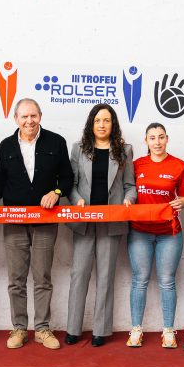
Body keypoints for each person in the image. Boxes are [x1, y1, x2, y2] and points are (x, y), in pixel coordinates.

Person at [0, 98, 73, 350]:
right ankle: (19, 328)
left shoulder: (56, 142)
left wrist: (56, 192)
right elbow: (0, 180)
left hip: (45, 220)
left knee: (43, 277)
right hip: (14, 220)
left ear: (40, 116)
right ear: (16, 119)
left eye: (33, 115)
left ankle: (42, 329)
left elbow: (67, 177)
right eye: (24, 116)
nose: (29, 121)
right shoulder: (6, 145)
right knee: (16, 279)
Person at [64, 103, 136, 347]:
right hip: (84, 220)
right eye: (97, 121)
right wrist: (76, 199)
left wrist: (129, 199)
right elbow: (71, 184)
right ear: (91, 124)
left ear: (113, 124)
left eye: (106, 120)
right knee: (79, 274)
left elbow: (130, 186)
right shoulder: (78, 148)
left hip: (111, 222)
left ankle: (100, 330)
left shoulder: (124, 150)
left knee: (105, 276)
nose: (102, 125)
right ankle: (73, 328)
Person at [127, 122, 184, 348]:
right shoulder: (136, 165)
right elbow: (128, 190)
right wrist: (127, 199)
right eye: (152, 138)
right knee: (139, 281)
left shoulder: (179, 166)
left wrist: (181, 202)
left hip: (169, 233)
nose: (157, 142)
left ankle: (168, 331)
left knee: (167, 282)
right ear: (146, 141)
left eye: (161, 137)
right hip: (140, 232)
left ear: (167, 139)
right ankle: (136, 329)